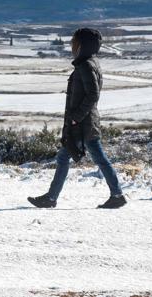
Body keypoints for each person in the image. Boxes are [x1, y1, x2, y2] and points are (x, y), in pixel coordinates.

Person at [28, 28, 126, 209]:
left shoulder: (86, 65)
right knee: (66, 157)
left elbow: (92, 95)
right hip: (83, 123)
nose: (72, 45)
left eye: (74, 41)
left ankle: (117, 194)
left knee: (97, 159)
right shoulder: (88, 63)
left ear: (83, 45)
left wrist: (76, 118)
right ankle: (51, 197)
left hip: (84, 124)